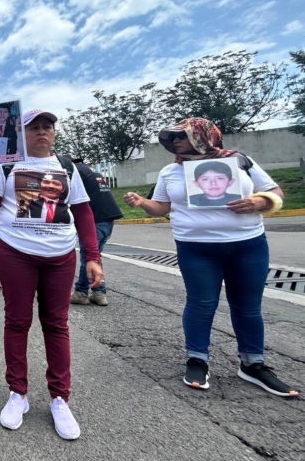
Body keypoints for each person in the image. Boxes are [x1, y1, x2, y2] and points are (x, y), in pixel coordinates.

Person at [123, 118, 298, 398]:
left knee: (248, 306)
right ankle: (197, 359)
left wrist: (261, 202)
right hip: (196, 247)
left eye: (182, 135)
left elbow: (275, 192)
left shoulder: (240, 161)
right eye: (171, 137)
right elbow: (160, 207)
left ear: (204, 135)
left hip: (248, 245)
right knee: (201, 303)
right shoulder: (170, 171)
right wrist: (142, 203)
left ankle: (253, 364)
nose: (174, 142)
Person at [0, 109, 103, 440]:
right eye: (34, 128)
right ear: (21, 134)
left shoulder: (67, 167)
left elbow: (84, 213)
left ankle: (60, 399)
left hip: (60, 256)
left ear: (54, 133)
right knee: (17, 322)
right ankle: (18, 394)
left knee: (57, 325)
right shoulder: (6, 165)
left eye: (47, 127)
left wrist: (93, 256)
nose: (42, 132)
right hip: (15, 253)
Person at [70, 159, 123, 307]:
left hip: (95, 218)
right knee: (94, 257)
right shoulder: (91, 171)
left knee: (89, 256)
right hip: (107, 217)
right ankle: (99, 292)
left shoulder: (75, 172)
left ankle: (81, 292)